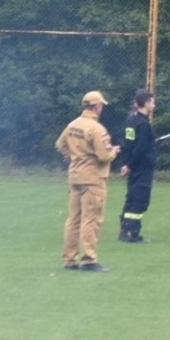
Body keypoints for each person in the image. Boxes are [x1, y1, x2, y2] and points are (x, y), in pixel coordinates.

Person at [55, 90, 121, 272]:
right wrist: (114, 151)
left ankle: (69, 259)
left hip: (75, 176)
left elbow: (60, 144)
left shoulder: (73, 125)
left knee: (73, 219)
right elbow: (104, 156)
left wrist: (72, 157)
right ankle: (89, 259)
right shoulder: (97, 129)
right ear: (97, 107)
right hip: (93, 179)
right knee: (91, 219)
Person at [118, 88, 157, 243]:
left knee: (131, 198)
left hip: (132, 165)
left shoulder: (131, 121)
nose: (154, 105)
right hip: (142, 167)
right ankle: (133, 233)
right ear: (146, 103)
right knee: (139, 200)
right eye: (152, 102)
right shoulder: (143, 124)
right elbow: (140, 148)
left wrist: (126, 164)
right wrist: (131, 164)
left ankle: (124, 231)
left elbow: (128, 144)